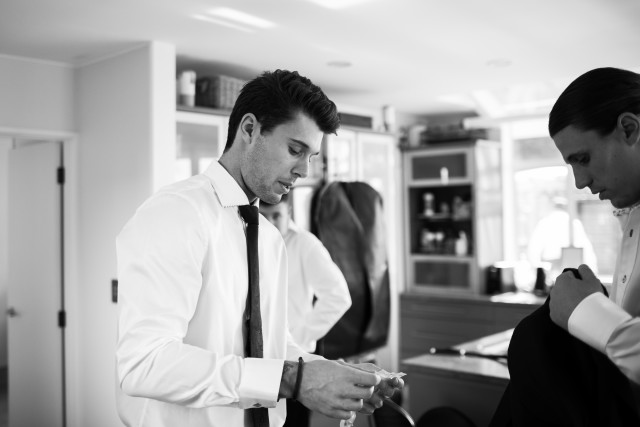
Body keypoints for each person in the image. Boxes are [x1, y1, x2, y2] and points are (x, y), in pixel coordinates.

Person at [115, 69, 403, 427]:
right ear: (250, 129)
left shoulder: (268, 238)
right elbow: (144, 364)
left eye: (311, 156)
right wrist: (293, 380)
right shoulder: (176, 214)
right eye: (295, 150)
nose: (304, 170)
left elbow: (271, 347)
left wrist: (331, 373)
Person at [490, 67, 640, 426]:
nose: (580, 182)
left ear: (628, 129)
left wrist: (588, 312)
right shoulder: (631, 215)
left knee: (536, 338)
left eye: (583, 158)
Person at [260, 193, 352, 427]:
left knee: (293, 422)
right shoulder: (252, 241)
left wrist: (298, 336)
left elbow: (338, 296)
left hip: (297, 354)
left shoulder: (305, 244)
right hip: (261, 355)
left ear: (289, 212)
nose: (270, 222)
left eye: (276, 215)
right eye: (264, 216)